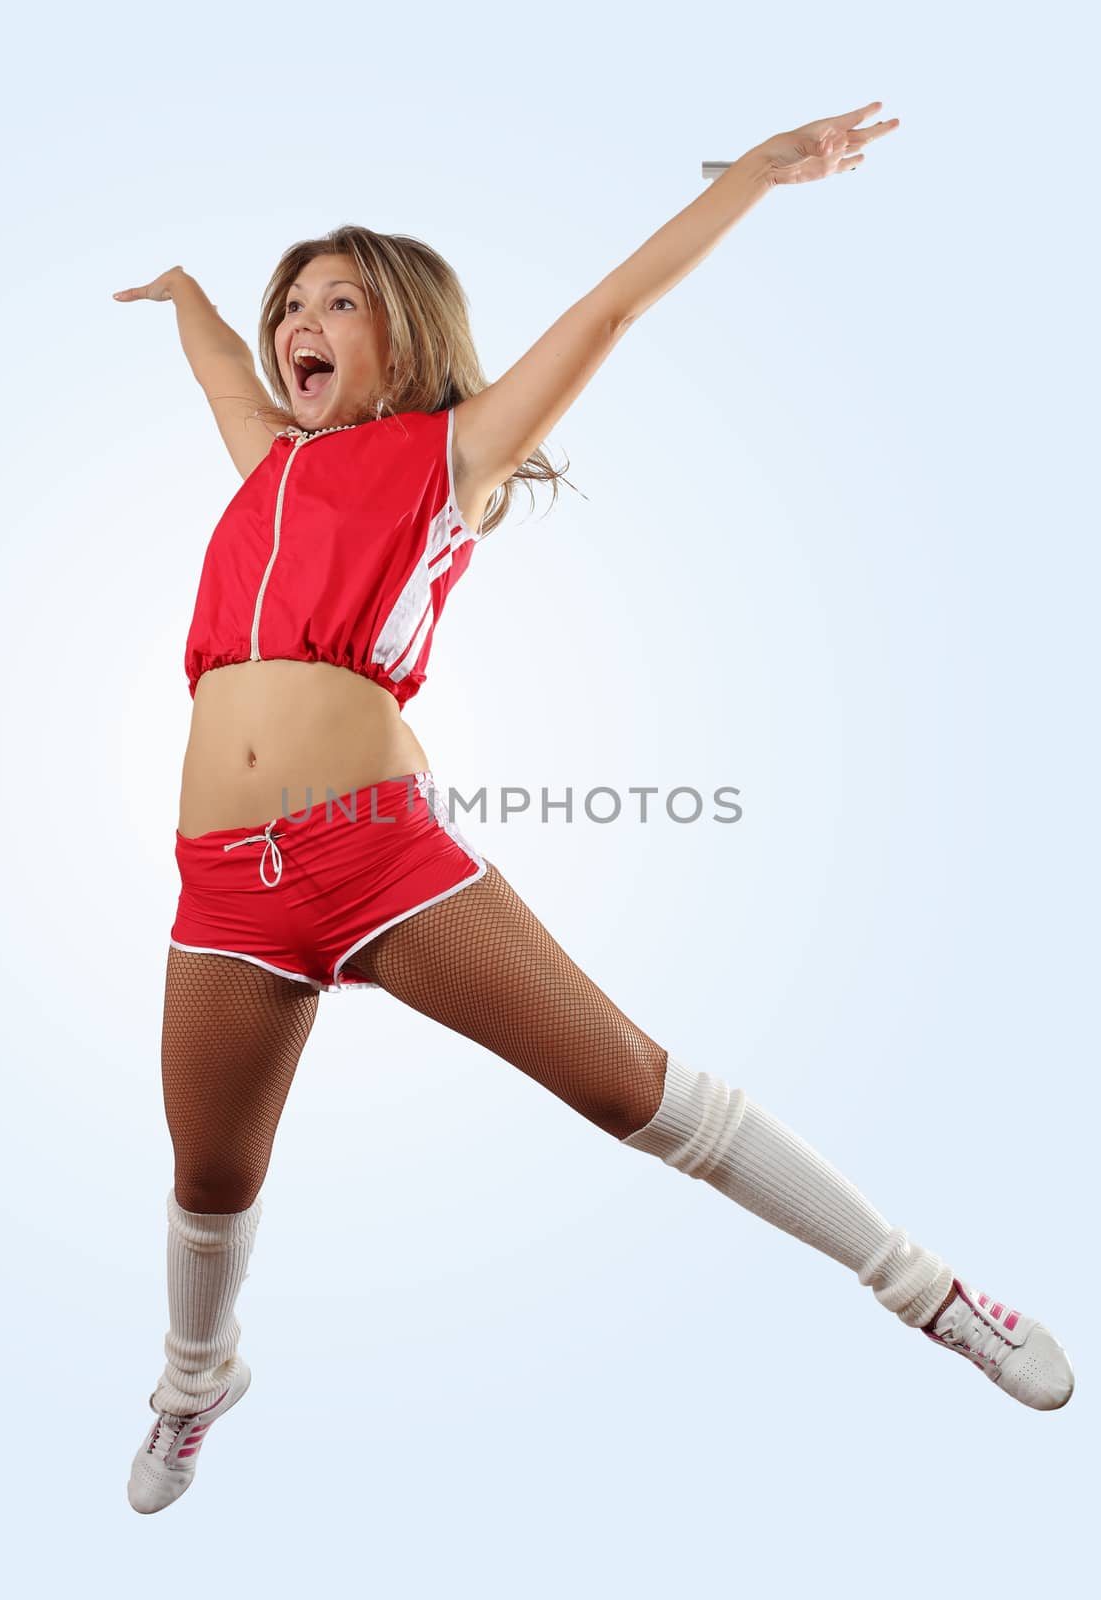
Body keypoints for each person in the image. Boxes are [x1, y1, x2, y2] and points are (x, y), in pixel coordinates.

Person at [114, 103, 1073, 1515]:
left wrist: (751, 176)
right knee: (209, 1171)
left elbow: (610, 310)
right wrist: (194, 298)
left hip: (374, 859)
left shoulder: (449, 454)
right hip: (221, 882)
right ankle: (195, 1384)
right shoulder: (267, 461)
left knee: (631, 1084)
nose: (300, 323)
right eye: (290, 306)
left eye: (341, 301)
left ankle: (927, 1291)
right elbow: (217, 379)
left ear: (410, 339)